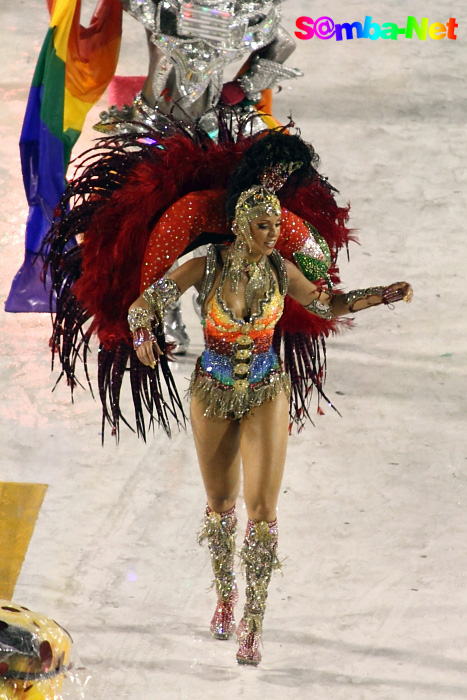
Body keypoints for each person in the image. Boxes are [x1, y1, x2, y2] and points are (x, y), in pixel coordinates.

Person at [127, 171, 413, 665]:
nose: (273, 233)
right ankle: (224, 597)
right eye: (263, 226)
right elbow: (145, 303)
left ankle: (253, 624)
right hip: (213, 390)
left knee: (262, 513)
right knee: (220, 503)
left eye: (275, 225)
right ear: (241, 227)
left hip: (265, 388)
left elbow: (326, 303)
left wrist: (380, 295)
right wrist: (140, 333)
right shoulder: (206, 263)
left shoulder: (281, 270)